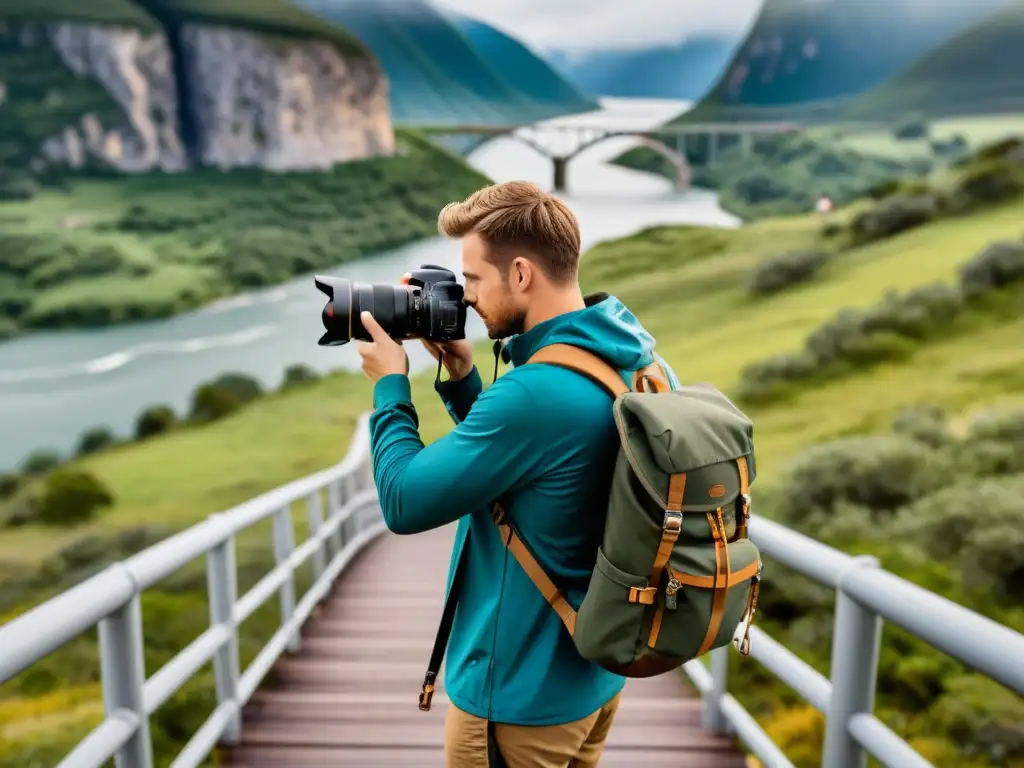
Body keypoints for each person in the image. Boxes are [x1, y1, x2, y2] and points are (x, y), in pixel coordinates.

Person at [355, 180, 681, 767]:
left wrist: (390, 384)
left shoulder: (535, 391)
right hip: (592, 682)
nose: (468, 298)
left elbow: (402, 503)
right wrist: (460, 375)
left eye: (475, 280)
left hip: (514, 702)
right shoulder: (638, 359)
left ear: (523, 274)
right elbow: (539, 463)